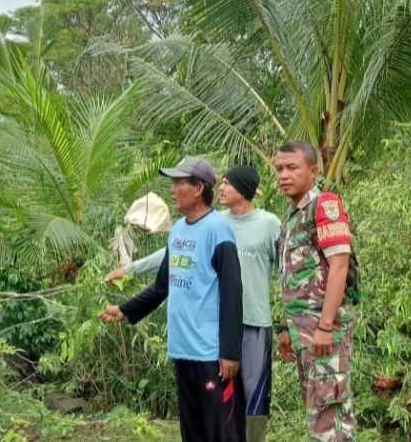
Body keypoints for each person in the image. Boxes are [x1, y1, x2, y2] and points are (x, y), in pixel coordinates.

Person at [105, 165, 279, 442]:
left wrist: (231, 353)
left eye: (179, 184)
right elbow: (163, 286)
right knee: (193, 431)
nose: (173, 191)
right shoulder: (178, 231)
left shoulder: (218, 230)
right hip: (183, 349)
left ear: (199, 188)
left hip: (211, 353)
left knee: (223, 432)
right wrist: (125, 309)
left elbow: (233, 294)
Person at [274, 141, 358, 441]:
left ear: (313, 171)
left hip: (325, 331)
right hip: (304, 333)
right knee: (316, 413)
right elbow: (293, 276)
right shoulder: (292, 215)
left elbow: (339, 267)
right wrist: (286, 328)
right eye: (279, 169)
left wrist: (324, 326)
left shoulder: (325, 205)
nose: (283, 175)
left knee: (330, 413)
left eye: (292, 168)